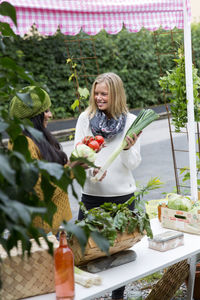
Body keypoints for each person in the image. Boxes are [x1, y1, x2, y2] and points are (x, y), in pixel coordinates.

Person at [74, 72, 142, 300]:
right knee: (84, 251)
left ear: (116, 95)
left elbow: (134, 163)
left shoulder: (131, 122)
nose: (99, 97)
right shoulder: (86, 118)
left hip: (122, 197)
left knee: (120, 253)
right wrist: (90, 166)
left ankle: (118, 296)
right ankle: (89, 294)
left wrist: (126, 149)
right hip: (92, 196)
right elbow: (77, 154)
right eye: (96, 93)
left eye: (105, 94)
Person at [9, 86, 76, 235]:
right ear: (33, 117)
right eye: (45, 111)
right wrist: (71, 169)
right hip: (44, 232)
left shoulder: (37, 137)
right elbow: (39, 191)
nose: (50, 115)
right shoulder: (23, 144)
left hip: (57, 225)